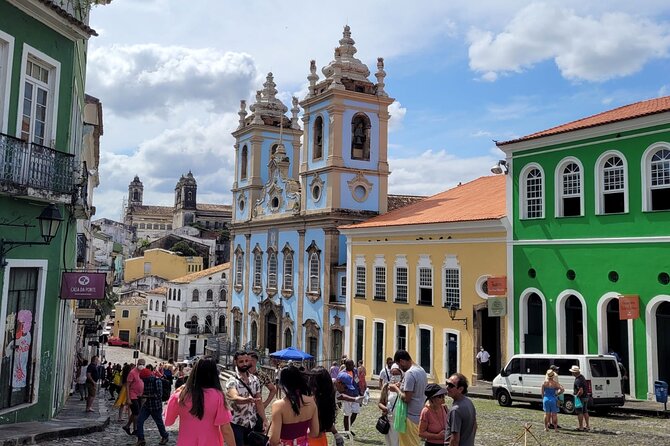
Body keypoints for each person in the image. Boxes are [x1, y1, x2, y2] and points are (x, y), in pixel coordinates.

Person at [165, 356, 236, 446]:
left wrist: (175, 394)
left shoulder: (180, 395)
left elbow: (168, 421)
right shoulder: (218, 396)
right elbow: (226, 429)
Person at [268, 365, 320, 446]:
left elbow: (274, 440)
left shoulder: (278, 405)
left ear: (282, 384)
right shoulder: (311, 401)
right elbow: (315, 433)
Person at [226, 351, 267, 446]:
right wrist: (247, 400)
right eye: (241, 361)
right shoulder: (232, 380)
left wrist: (264, 419)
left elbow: (259, 401)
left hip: (251, 423)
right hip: (237, 423)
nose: (244, 364)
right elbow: (234, 397)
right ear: (235, 362)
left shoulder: (255, 379)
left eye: (246, 361)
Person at [389, 350, 427, 446]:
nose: (400, 368)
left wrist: (395, 388)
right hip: (419, 413)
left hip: (409, 416)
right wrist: (402, 385)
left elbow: (406, 398)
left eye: (399, 365)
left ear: (402, 361)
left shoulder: (410, 373)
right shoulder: (421, 370)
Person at [307, 367, 344, 446]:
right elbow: (326, 419)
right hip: (322, 439)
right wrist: (336, 433)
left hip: (309, 439)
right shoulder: (328, 398)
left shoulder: (312, 400)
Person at [134, 364, 169, 446]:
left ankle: (165, 436)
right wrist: (141, 395)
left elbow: (159, 395)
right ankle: (141, 439)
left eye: (144, 379)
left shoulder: (157, 381)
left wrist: (146, 396)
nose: (143, 381)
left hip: (156, 406)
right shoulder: (145, 382)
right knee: (139, 420)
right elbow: (145, 392)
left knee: (159, 423)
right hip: (147, 406)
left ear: (147, 377)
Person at [445, 373, 477, 446]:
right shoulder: (469, 402)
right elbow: (474, 426)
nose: (447, 387)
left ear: (460, 389)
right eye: (447, 383)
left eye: (451, 386)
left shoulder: (456, 410)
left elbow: (455, 439)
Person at [378, 364, 403, 446]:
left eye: (397, 374)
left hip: (401, 421)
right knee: (390, 442)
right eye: (393, 374)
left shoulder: (404, 387)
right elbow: (380, 402)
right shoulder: (386, 387)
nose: (395, 376)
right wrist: (385, 408)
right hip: (389, 420)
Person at [123, 358, 146, 436]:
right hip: (133, 395)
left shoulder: (143, 372)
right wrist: (128, 398)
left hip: (140, 395)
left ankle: (127, 426)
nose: (142, 365)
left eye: (143, 364)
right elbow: (127, 385)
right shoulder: (132, 373)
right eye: (140, 364)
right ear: (137, 364)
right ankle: (136, 429)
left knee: (135, 412)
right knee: (136, 413)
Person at [570, 365, 590, 431]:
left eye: (572, 372)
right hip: (586, 397)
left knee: (580, 412)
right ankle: (587, 425)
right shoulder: (582, 377)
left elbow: (581, 390)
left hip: (580, 398)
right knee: (585, 411)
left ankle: (581, 426)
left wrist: (577, 396)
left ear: (574, 373)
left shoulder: (578, 380)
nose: (572, 373)